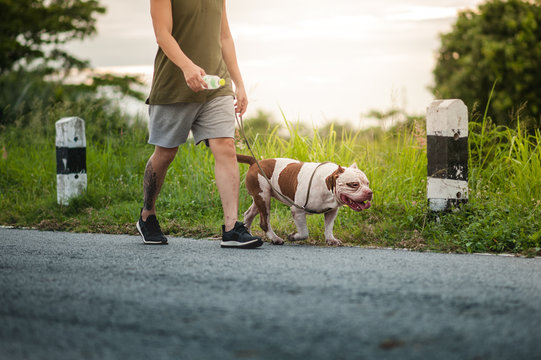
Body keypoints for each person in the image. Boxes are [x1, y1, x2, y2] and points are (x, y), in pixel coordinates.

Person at [136, 0, 262, 249]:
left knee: (225, 145)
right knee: (165, 153)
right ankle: (147, 214)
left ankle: (232, 228)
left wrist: (239, 83)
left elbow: (225, 37)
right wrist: (187, 66)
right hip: (173, 86)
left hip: (216, 85)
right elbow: (162, 34)